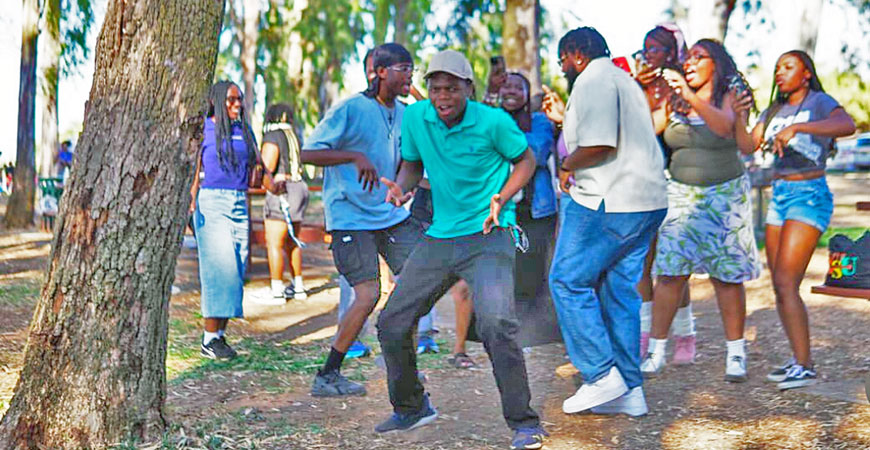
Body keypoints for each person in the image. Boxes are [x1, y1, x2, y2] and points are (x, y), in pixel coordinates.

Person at [375, 49, 547, 450]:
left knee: (496, 325)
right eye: (435, 88)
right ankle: (412, 406)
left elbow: (527, 160)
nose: (442, 96)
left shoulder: (494, 122)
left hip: (490, 232)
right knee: (392, 322)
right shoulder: (417, 117)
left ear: (468, 88)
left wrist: (502, 198)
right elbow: (413, 164)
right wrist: (403, 187)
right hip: (441, 235)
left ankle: (524, 423)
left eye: (451, 88)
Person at [549, 27, 668, 417]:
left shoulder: (593, 78)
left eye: (562, 58)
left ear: (576, 53)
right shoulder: (624, 82)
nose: (562, 67)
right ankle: (631, 392)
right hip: (646, 202)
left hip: (609, 198)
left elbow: (601, 144)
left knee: (567, 280)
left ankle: (601, 374)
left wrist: (567, 164)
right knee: (620, 294)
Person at [301, 43, 424, 397]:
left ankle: (404, 370)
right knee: (368, 293)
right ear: (380, 71)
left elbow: (409, 160)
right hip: (350, 216)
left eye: (412, 69)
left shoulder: (405, 113)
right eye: (403, 68)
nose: (409, 76)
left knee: (419, 281)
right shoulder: (351, 108)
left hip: (389, 212)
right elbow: (310, 152)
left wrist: (401, 186)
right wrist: (354, 156)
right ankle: (328, 374)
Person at [733, 50, 856, 390]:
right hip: (780, 196)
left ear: (805, 74)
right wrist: (738, 117)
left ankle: (805, 364)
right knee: (780, 285)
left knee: (788, 282)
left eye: (788, 67)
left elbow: (847, 125)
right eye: (777, 68)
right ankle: (800, 360)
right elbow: (747, 146)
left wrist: (800, 126)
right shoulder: (774, 110)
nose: (780, 73)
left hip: (809, 194)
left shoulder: (818, 101)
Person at [641, 39, 760, 383]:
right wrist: (650, 90)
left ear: (716, 64)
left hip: (724, 195)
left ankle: (735, 354)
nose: (689, 63)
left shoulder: (731, 93)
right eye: (687, 58)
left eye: (698, 57)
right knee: (670, 274)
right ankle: (656, 351)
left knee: (726, 277)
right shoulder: (674, 96)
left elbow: (724, 128)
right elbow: (650, 128)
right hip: (680, 194)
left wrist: (691, 97)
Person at [191, 81, 280, 360]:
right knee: (219, 269)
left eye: (239, 99)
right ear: (217, 100)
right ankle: (208, 338)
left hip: (239, 201)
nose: (237, 104)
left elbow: (260, 169)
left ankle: (219, 337)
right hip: (212, 202)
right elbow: (194, 171)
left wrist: (275, 184)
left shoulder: (244, 131)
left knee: (237, 267)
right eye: (230, 99)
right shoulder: (203, 130)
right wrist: (190, 202)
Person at [634, 24, 696, 362]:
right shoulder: (636, 84)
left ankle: (685, 332)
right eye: (646, 48)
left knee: (672, 265)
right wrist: (635, 90)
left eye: (656, 48)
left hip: (676, 180)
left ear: (671, 52)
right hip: (642, 180)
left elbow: (654, 127)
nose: (648, 54)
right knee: (643, 262)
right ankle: (643, 333)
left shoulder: (677, 84)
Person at [487, 71, 559, 345]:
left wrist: (500, 142)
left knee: (532, 272)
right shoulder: (490, 118)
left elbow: (537, 153)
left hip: (535, 211)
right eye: (507, 86)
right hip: (501, 210)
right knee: (503, 272)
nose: (512, 91)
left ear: (527, 95)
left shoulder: (539, 121)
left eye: (519, 87)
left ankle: (531, 335)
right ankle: (506, 332)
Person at [259, 103, 309, 304]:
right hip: (299, 186)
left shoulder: (273, 136)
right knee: (293, 241)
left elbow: (267, 164)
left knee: (274, 242)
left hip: (282, 188)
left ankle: (277, 290)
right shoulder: (295, 136)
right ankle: (298, 287)